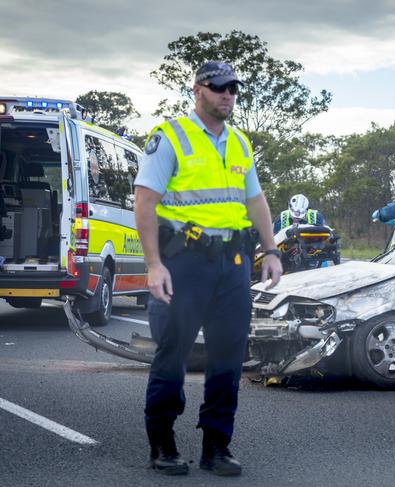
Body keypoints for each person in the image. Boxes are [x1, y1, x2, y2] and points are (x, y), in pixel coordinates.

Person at [134, 60, 283, 477]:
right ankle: (162, 443)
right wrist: (153, 265)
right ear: (198, 89)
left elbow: (256, 201)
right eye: (219, 88)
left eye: (233, 88)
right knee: (172, 354)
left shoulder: (239, 143)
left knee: (228, 357)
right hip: (183, 263)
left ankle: (216, 446)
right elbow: (145, 202)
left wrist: (271, 251)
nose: (228, 95)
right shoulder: (170, 137)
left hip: (232, 264)